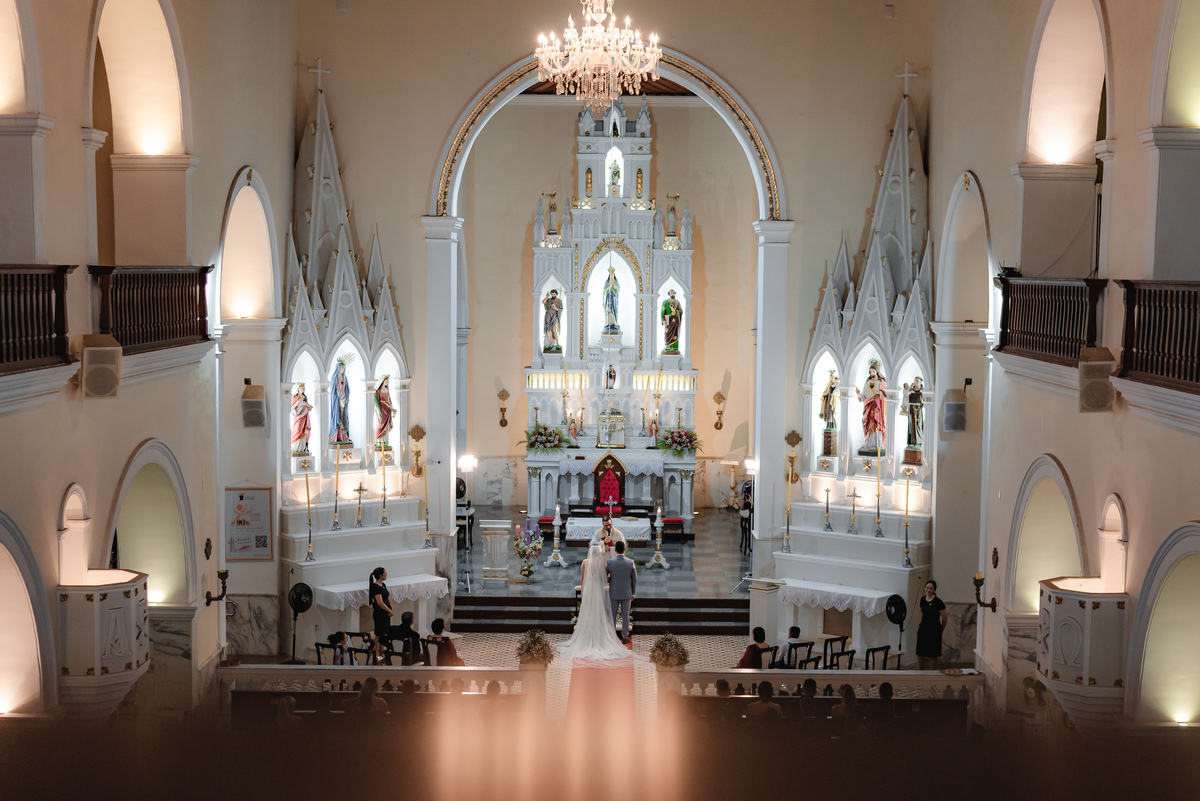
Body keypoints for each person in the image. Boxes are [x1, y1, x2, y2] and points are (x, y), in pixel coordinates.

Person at [557, 543, 633, 663]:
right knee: (598, 611)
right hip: (597, 590)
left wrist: (583, 591)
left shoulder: (584, 563)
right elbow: (604, 579)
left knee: (588, 612)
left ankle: (586, 635)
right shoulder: (601, 564)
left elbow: (582, 579)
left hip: (588, 590)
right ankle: (599, 636)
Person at [607, 541, 637, 643]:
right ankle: (625, 636)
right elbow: (634, 579)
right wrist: (633, 592)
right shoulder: (630, 562)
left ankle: (612, 636)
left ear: (615, 550)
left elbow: (605, 576)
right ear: (624, 549)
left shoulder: (610, 562)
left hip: (614, 592)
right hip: (626, 592)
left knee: (612, 615)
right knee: (625, 615)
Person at [855, 360, 887, 455]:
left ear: (877, 371)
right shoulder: (868, 382)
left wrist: (880, 393)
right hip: (869, 405)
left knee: (876, 423)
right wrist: (859, 395)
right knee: (868, 422)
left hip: (877, 405)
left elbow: (886, 394)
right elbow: (864, 395)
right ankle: (869, 443)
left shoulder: (881, 382)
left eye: (873, 371)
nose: (872, 373)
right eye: (870, 371)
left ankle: (877, 444)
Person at [916, 579, 948, 670]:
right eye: (927, 588)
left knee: (933, 654)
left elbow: (945, 618)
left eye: (931, 588)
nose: (929, 590)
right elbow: (923, 613)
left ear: (934, 590)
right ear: (925, 588)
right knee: (920, 651)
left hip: (934, 629)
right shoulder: (922, 599)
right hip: (923, 628)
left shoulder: (938, 602)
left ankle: (932, 673)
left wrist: (941, 629)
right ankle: (920, 671)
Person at [328, 357, 352, 445]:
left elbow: (347, 390)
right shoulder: (334, 378)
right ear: (337, 368)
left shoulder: (345, 378)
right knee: (337, 417)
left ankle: (343, 437)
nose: (343, 369)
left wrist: (345, 399)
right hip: (337, 402)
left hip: (344, 401)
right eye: (341, 367)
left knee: (344, 418)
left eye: (344, 368)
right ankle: (336, 436)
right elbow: (333, 392)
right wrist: (338, 400)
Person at [368, 566, 393, 644]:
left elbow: (386, 597)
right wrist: (389, 610)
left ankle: (382, 652)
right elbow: (380, 603)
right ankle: (376, 652)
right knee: (379, 634)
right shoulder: (375, 587)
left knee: (384, 634)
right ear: (380, 575)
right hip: (380, 614)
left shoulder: (383, 585)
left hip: (385, 613)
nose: (386, 575)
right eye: (385, 573)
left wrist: (391, 607)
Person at [290, 384, 313, 454]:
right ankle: (295, 446)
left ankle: (302, 447)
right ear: (298, 389)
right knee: (297, 429)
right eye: (301, 389)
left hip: (304, 415)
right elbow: (292, 407)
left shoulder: (304, 397)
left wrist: (308, 407)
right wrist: (296, 414)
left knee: (303, 430)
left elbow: (308, 405)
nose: (302, 390)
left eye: (303, 389)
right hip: (298, 415)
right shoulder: (296, 397)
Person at [372, 375, 392, 448]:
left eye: (387, 380)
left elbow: (389, 400)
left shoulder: (387, 390)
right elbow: (376, 401)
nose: (387, 382)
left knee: (386, 425)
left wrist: (392, 408)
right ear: (382, 381)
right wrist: (378, 410)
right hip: (382, 409)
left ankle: (385, 442)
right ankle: (379, 441)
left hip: (388, 410)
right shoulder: (378, 391)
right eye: (386, 380)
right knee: (381, 425)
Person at [661, 289, 682, 353]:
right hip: (668, 321)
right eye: (671, 293)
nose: (673, 294)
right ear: (669, 294)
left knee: (675, 334)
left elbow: (681, 311)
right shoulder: (665, 302)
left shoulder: (677, 302)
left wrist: (675, 311)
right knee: (667, 334)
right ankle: (668, 347)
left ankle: (675, 348)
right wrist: (663, 320)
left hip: (675, 322)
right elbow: (662, 312)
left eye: (673, 293)